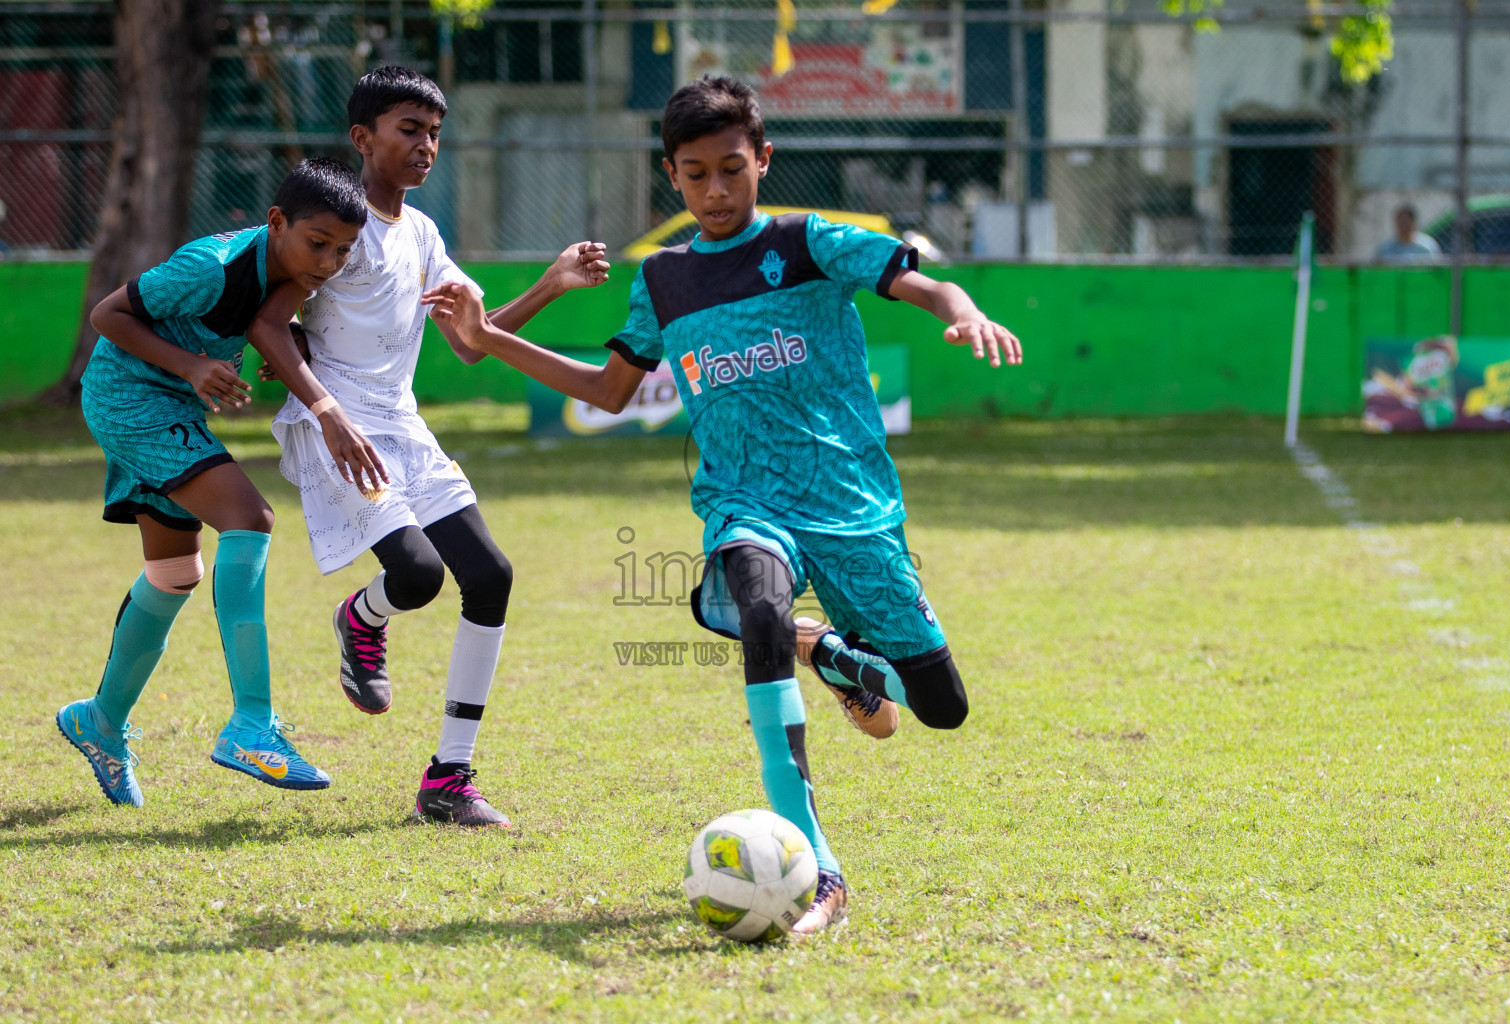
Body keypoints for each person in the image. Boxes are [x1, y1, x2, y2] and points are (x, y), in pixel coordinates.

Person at [421, 75, 1021, 932]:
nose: (714, 190)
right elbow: (611, 388)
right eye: (695, 174)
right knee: (757, 607)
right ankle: (822, 871)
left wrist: (963, 312)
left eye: (731, 170)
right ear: (673, 174)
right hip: (746, 503)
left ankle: (842, 658)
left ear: (763, 161)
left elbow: (919, 283)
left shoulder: (809, 242)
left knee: (938, 711)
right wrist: (491, 339)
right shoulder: (663, 279)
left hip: (854, 508)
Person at [265, 67, 609, 828]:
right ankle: (364, 616)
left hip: (404, 424)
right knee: (417, 574)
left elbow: (473, 345)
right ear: (363, 138)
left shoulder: (422, 233)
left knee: (489, 574)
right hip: (342, 426)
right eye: (408, 130)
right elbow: (271, 319)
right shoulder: (337, 230)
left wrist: (552, 282)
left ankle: (448, 778)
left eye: (434, 133)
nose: (426, 146)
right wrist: (319, 404)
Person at [58, 157, 386, 807]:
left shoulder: (295, 270)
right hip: (131, 398)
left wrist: (283, 340)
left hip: (167, 405)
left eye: (343, 251)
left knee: (176, 575)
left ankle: (97, 720)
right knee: (251, 517)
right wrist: (192, 366)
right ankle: (252, 727)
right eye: (317, 244)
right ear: (276, 222)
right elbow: (107, 316)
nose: (327, 262)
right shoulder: (208, 267)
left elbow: (268, 320)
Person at [1376, 204, 1442, 261]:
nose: (1404, 227)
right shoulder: (1386, 249)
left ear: (1413, 223)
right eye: (1401, 223)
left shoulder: (1427, 246)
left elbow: (1437, 270)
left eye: (1407, 223)